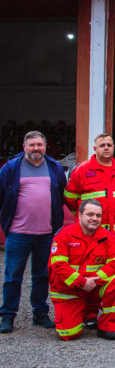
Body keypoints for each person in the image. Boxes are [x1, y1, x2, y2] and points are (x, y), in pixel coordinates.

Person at [0, 130, 66, 333]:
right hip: (18, 232)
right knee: (13, 276)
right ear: (24, 147)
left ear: (45, 146)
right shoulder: (11, 168)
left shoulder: (54, 167)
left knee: (42, 274)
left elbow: (61, 194)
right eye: (32, 145)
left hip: (46, 233)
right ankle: (8, 315)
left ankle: (40, 313)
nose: (36, 148)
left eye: (39, 145)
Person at [47, 199, 115, 340]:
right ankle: (86, 312)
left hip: (94, 285)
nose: (94, 219)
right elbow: (58, 265)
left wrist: (96, 279)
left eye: (98, 215)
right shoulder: (64, 235)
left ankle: (108, 326)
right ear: (80, 215)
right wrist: (82, 282)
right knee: (68, 334)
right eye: (90, 214)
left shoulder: (106, 236)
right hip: (69, 289)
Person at [64, 134, 115, 253]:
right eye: (102, 145)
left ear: (113, 147)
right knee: (90, 268)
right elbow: (70, 198)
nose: (106, 148)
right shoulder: (82, 170)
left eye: (109, 145)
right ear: (95, 149)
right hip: (91, 232)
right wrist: (82, 215)